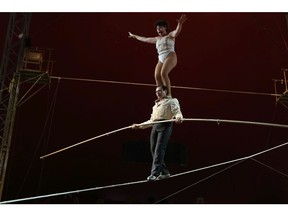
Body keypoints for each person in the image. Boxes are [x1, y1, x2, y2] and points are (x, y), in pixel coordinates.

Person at [128, 14, 188, 98]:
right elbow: (145, 39)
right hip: (161, 57)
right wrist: (135, 36)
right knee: (157, 76)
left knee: (163, 73)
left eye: (160, 28)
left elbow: (176, 32)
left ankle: (168, 95)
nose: (158, 30)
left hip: (170, 55)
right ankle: (161, 96)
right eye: (157, 28)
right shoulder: (157, 39)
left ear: (165, 28)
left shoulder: (170, 35)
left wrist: (180, 23)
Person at [132, 86, 183, 181]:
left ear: (165, 91)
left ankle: (154, 174)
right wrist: (139, 126)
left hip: (165, 125)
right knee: (153, 150)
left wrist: (179, 117)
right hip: (155, 126)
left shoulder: (172, 101)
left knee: (159, 149)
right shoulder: (155, 106)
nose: (158, 93)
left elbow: (177, 111)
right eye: (156, 92)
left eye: (160, 91)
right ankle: (165, 172)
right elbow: (151, 120)